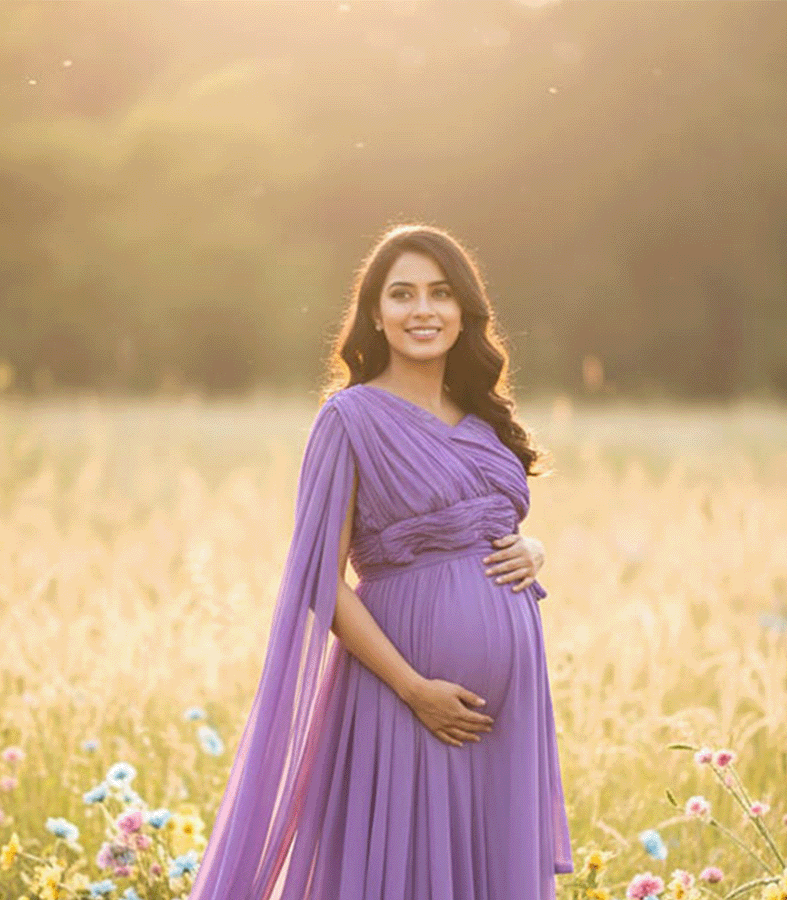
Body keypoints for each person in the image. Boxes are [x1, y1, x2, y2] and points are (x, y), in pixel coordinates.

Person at [186, 224, 573, 900]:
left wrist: (534, 549)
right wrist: (413, 688)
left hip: (506, 713)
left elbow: (488, 525)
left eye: (440, 293)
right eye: (403, 295)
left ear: (465, 312)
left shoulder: (484, 420)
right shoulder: (351, 419)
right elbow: (318, 581)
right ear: (375, 314)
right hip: (405, 695)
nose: (423, 310)